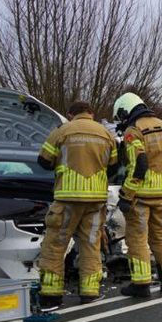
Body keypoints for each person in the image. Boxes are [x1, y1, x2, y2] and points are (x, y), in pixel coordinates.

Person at [36, 101, 118, 310]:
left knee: (55, 246)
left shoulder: (62, 131)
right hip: (95, 201)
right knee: (91, 245)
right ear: (91, 113)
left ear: (70, 114)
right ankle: (90, 293)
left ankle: (51, 297)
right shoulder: (105, 134)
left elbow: (43, 161)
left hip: (67, 199)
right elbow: (114, 167)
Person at [114, 93, 162, 299]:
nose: (121, 121)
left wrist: (126, 195)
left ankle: (141, 284)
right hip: (161, 192)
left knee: (137, 240)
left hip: (141, 195)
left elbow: (138, 165)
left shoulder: (134, 131)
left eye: (121, 116)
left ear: (126, 110)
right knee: (161, 237)